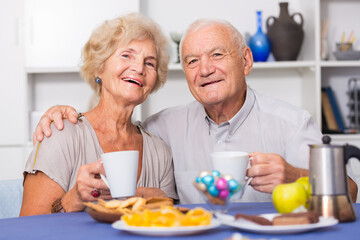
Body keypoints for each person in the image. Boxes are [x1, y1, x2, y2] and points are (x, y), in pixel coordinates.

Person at [33, 18, 358, 204]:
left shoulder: (291, 123)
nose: (205, 70)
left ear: (245, 61)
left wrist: (293, 175)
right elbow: (109, 125)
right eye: (191, 61)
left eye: (217, 54)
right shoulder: (162, 129)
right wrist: (60, 112)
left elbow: (350, 192)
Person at [20, 13, 178, 216]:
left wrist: (157, 201)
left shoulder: (160, 152)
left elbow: (170, 226)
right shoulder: (60, 134)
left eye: (149, 63)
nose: (139, 68)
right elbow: (27, 229)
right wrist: (73, 199)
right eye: (126, 55)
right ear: (99, 68)